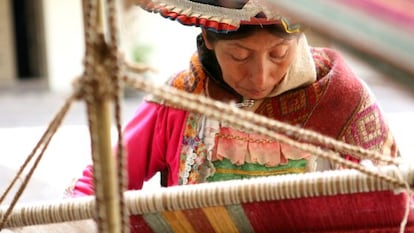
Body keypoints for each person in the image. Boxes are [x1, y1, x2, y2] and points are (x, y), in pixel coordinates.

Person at [7, 0, 400, 232]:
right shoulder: (182, 97)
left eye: (279, 54)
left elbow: (393, 205)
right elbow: (101, 184)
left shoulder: (340, 97)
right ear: (210, 42)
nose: (259, 76)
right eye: (240, 57)